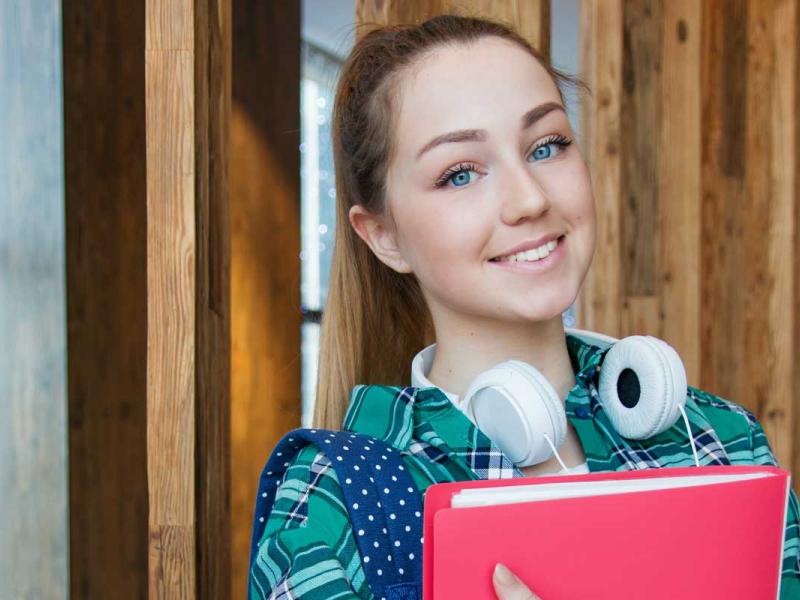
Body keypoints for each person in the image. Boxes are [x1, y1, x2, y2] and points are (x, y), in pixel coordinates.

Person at [249, 13, 800, 600]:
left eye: (547, 146)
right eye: (460, 174)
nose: (530, 199)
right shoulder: (333, 506)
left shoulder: (720, 440)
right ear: (383, 234)